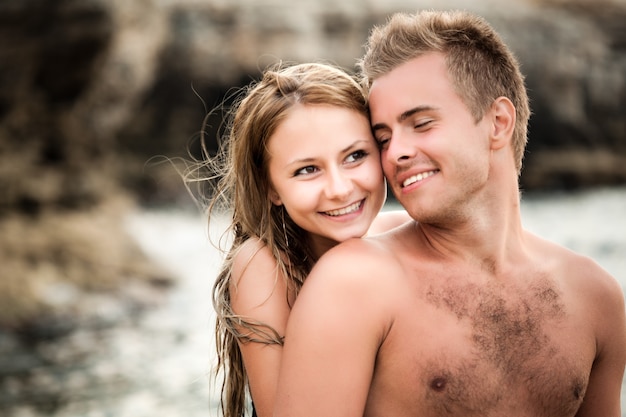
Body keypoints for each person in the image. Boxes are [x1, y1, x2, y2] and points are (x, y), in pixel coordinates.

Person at [273, 10, 626, 417]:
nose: (396, 153)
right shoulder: (356, 284)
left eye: (421, 124)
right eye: (383, 138)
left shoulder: (595, 297)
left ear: (498, 122)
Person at [203, 62, 410, 417]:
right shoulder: (263, 265)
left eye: (355, 156)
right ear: (271, 188)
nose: (340, 188)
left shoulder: (409, 234)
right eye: (307, 170)